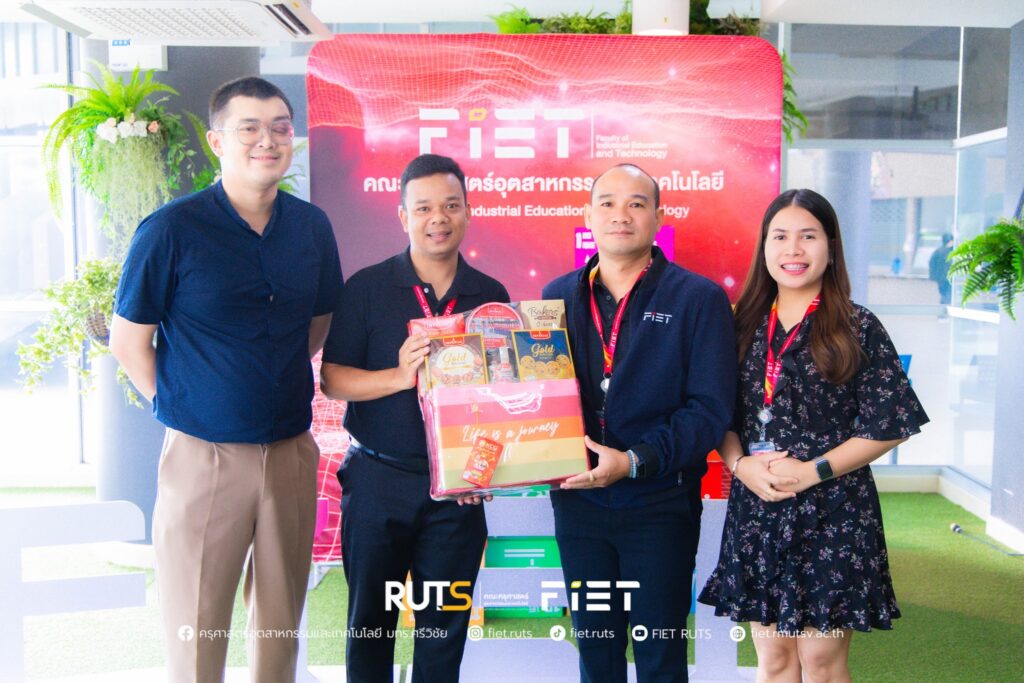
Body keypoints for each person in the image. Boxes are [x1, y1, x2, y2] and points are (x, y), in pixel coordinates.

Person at [109, 76, 342, 682]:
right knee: (196, 624)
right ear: (217, 141)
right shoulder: (171, 229)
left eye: (281, 128)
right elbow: (128, 342)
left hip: (290, 451)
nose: (268, 140)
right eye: (250, 128)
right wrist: (189, 406)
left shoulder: (311, 227)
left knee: (280, 625)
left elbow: (316, 325)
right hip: (203, 456)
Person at [698, 189, 929, 683]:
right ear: (764, 247)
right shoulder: (738, 325)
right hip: (758, 506)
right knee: (774, 660)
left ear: (831, 246)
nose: (793, 250)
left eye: (808, 236)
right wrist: (740, 465)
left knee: (822, 663)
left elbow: (889, 425)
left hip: (835, 510)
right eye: (780, 236)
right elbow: (717, 413)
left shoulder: (857, 326)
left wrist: (811, 472)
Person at [541, 163, 737, 682]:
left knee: (660, 656)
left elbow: (709, 410)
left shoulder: (698, 299)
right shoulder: (554, 297)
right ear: (588, 216)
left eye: (636, 203)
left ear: (658, 217)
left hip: (660, 504)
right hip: (579, 503)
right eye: (607, 203)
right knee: (596, 653)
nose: (620, 215)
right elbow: (538, 397)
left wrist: (633, 462)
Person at [320, 153, 509, 682]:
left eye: (451, 205)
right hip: (378, 481)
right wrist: (399, 377)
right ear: (403, 216)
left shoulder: (491, 296)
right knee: (370, 626)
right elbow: (333, 379)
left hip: (456, 494)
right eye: (423, 207)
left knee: (443, 635)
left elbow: (500, 398)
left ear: (468, 211)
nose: (438, 218)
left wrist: (481, 472)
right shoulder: (367, 287)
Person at [929, 233, 955, 307]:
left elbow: (932, 264)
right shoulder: (950, 251)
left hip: (941, 277)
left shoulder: (938, 251)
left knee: (944, 294)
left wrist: (933, 276)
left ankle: (943, 308)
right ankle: (945, 308)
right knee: (947, 295)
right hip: (947, 277)